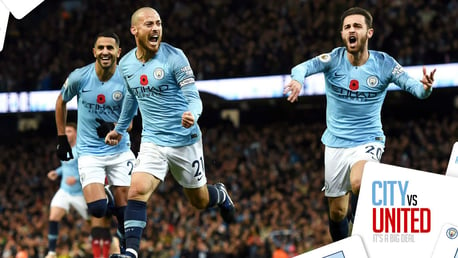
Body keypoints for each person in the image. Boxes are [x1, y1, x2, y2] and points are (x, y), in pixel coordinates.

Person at [283, 7, 436, 242]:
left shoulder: (385, 64)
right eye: (347, 27)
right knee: (337, 213)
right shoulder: (333, 59)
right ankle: (344, 247)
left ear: (369, 33)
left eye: (357, 26)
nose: (351, 30)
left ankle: (364, 230)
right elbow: (302, 67)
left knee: (360, 181)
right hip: (335, 144)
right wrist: (297, 80)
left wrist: (425, 88)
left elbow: (414, 88)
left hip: (368, 139)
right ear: (343, 34)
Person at [105, 7, 236, 258]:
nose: (155, 29)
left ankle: (219, 193)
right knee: (136, 190)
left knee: (198, 201)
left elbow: (194, 98)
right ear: (134, 30)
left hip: (184, 140)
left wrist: (192, 115)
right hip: (152, 140)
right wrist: (120, 129)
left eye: (158, 23)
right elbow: (131, 99)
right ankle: (131, 252)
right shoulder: (126, 64)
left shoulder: (175, 57)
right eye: (149, 24)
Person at [55, 31, 135, 254]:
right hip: (89, 152)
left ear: (119, 52)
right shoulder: (80, 77)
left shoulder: (127, 80)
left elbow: (130, 123)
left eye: (110, 48)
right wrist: (62, 137)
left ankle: (125, 251)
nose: (105, 52)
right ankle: (107, 195)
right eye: (100, 48)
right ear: (94, 51)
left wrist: (113, 128)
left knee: (125, 212)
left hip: (119, 151)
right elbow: (61, 101)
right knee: (99, 209)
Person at [46, 123, 88, 258]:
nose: (66, 134)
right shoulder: (62, 147)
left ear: (76, 133)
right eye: (65, 131)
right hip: (64, 190)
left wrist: (76, 179)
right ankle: (51, 252)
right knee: (53, 217)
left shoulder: (82, 149)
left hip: (79, 193)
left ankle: (107, 244)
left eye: (69, 131)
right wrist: (56, 172)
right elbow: (65, 166)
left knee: (94, 221)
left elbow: (87, 169)